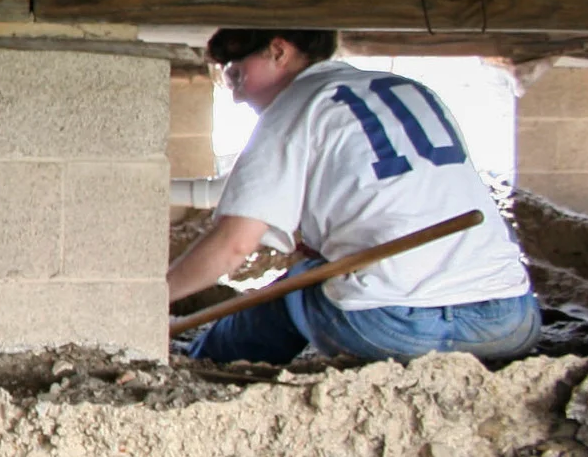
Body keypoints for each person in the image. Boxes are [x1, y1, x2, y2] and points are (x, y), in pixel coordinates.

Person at [168, 28, 539, 366]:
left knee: (296, 285)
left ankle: (203, 362)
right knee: (322, 267)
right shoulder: (411, 92)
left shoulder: (294, 106)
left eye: (237, 76)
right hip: (508, 321)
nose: (236, 95)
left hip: (391, 329)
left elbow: (234, 245)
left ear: (278, 51)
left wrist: (154, 296)